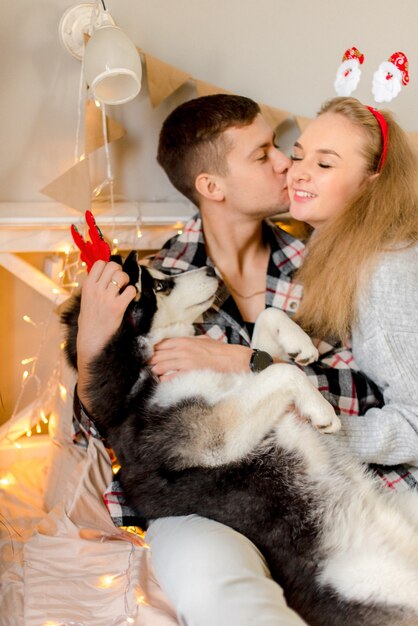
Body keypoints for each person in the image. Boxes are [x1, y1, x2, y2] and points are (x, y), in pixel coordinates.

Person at [74, 94, 382, 626]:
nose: (288, 163)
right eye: (263, 154)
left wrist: (247, 362)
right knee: (220, 593)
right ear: (212, 187)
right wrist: (92, 346)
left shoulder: (328, 264)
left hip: (313, 484)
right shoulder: (154, 285)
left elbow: (371, 392)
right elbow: (105, 428)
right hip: (203, 505)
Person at [287, 96, 418, 472]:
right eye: (299, 156)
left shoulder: (384, 272)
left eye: (324, 163)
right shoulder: (332, 245)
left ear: (370, 182)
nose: (298, 173)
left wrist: (316, 433)